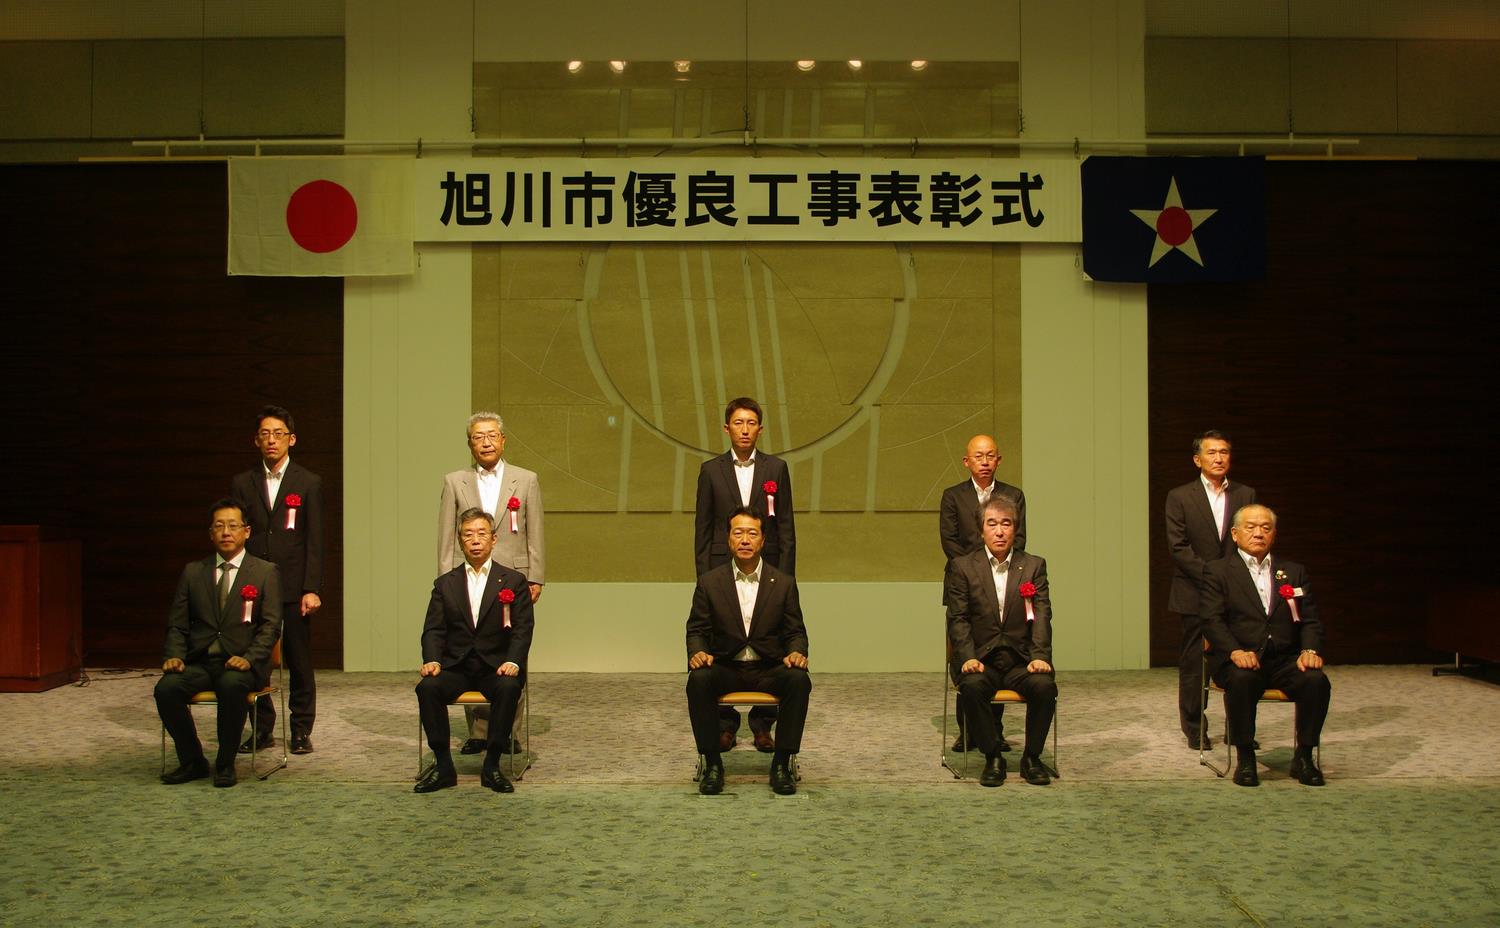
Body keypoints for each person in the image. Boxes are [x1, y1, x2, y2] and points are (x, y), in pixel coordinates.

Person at [155, 499, 283, 788]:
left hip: (243, 664)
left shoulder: (265, 572)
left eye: (233, 526)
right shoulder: (193, 572)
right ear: (210, 533)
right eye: (219, 526)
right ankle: (193, 761)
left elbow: (271, 626)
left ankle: (225, 763)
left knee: (231, 685)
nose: (226, 532)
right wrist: (174, 655)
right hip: (201, 661)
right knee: (166, 689)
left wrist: (249, 658)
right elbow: (177, 623)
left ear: (246, 532)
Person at [436, 411, 544, 754]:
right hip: (468, 579)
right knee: (470, 648)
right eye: (478, 436)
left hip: (512, 579)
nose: (486, 442)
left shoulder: (526, 480)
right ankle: (479, 732)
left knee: (512, 652)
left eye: (492, 435)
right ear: (469, 443)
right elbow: (446, 536)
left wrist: (535, 576)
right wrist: (445, 583)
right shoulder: (455, 481)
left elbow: (535, 530)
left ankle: (508, 732)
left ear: (503, 440)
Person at [693, 397, 795, 752]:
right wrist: (704, 579)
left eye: (751, 423)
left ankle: (763, 724)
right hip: (722, 573)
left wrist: (786, 578)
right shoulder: (711, 471)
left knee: (771, 645)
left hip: (770, 572)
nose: (745, 429)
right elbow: (703, 528)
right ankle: (725, 724)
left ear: (760, 429)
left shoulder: (776, 468)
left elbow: (785, 526)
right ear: (727, 428)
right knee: (720, 646)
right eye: (738, 423)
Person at [1201, 504, 1329, 787]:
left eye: (1265, 528)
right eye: (1251, 527)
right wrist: (1234, 651)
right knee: (1242, 680)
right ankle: (1245, 758)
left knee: (1316, 681)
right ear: (1235, 534)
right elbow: (1211, 620)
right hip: (1239, 659)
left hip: (1285, 659)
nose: (1258, 533)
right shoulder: (1218, 571)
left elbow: (1310, 620)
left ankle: (1304, 757)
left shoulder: (1292, 571)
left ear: (1273, 534)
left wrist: (1309, 650)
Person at [686, 507, 810, 796]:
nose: (745, 539)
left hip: (768, 668)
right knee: (699, 680)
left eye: (752, 533)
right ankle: (712, 764)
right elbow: (697, 629)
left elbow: (795, 631)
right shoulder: (709, 582)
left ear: (762, 540)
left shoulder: (783, 583)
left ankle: (781, 764)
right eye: (738, 533)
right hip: (726, 666)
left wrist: (796, 652)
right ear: (728, 539)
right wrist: (698, 652)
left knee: (798, 680)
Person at [414, 508, 535, 794]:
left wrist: (513, 661)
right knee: (427, 688)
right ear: (460, 541)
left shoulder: (513, 581)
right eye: (468, 535)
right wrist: (432, 660)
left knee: (508, 688)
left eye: (482, 534)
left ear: (494, 539)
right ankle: (444, 766)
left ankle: (492, 766)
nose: (475, 540)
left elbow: (523, 628)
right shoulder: (445, 583)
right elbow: (433, 629)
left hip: (496, 667)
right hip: (457, 667)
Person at [229, 404, 323, 755]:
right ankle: (262, 727)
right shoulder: (243, 482)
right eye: (265, 434)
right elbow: (237, 534)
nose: (272, 440)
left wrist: (312, 588)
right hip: (253, 585)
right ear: (256, 440)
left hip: (294, 585)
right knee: (254, 657)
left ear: (291, 439)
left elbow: (315, 540)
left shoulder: (308, 482)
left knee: (299, 660)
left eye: (278, 434)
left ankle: (300, 729)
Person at [945, 496, 1057, 787]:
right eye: (992, 524)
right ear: (981, 529)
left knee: (1045, 687)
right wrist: (967, 656)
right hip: (981, 660)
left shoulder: (1033, 566)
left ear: (1015, 529)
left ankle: (1032, 758)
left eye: (1006, 524)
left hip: (1021, 661)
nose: (999, 531)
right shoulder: (962, 567)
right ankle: (993, 756)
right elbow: (958, 618)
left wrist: (1040, 656)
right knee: (971, 688)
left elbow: (1041, 615)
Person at [1165, 429, 1256, 750]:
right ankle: (1195, 728)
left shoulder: (1246, 494)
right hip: (1194, 590)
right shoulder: (1179, 496)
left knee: (1240, 659)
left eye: (1224, 452)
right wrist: (1215, 577)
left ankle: (1239, 729)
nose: (1219, 458)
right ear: (1197, 459)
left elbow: (1250, 542)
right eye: (1212, 452)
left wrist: (1231, 581)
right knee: (1195, 663)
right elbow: (1178, 547)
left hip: (1236, 592)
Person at [939, 433, 1026, 752]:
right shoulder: (953, 496)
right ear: (967, 462)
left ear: (999, 460)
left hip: (1004, 586)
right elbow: (949, 542)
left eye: (990, 456)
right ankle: (967, 730)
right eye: (979, 456)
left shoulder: (1013, 495)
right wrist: (978, 569)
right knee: (967, 655)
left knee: (999, 652)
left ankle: (995, 729)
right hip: (963, 587)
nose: (985, 461)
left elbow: (1020, 539)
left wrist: (994, 566)